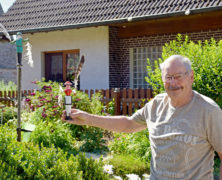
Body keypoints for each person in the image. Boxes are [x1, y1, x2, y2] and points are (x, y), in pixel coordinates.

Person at [62, 55, 222, 180]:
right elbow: (128, 124)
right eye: (168, 77)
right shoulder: (157, 104)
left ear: (191, 76)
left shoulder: (208, 111)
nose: (173, 83)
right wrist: (87, 118)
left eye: (178, 76)